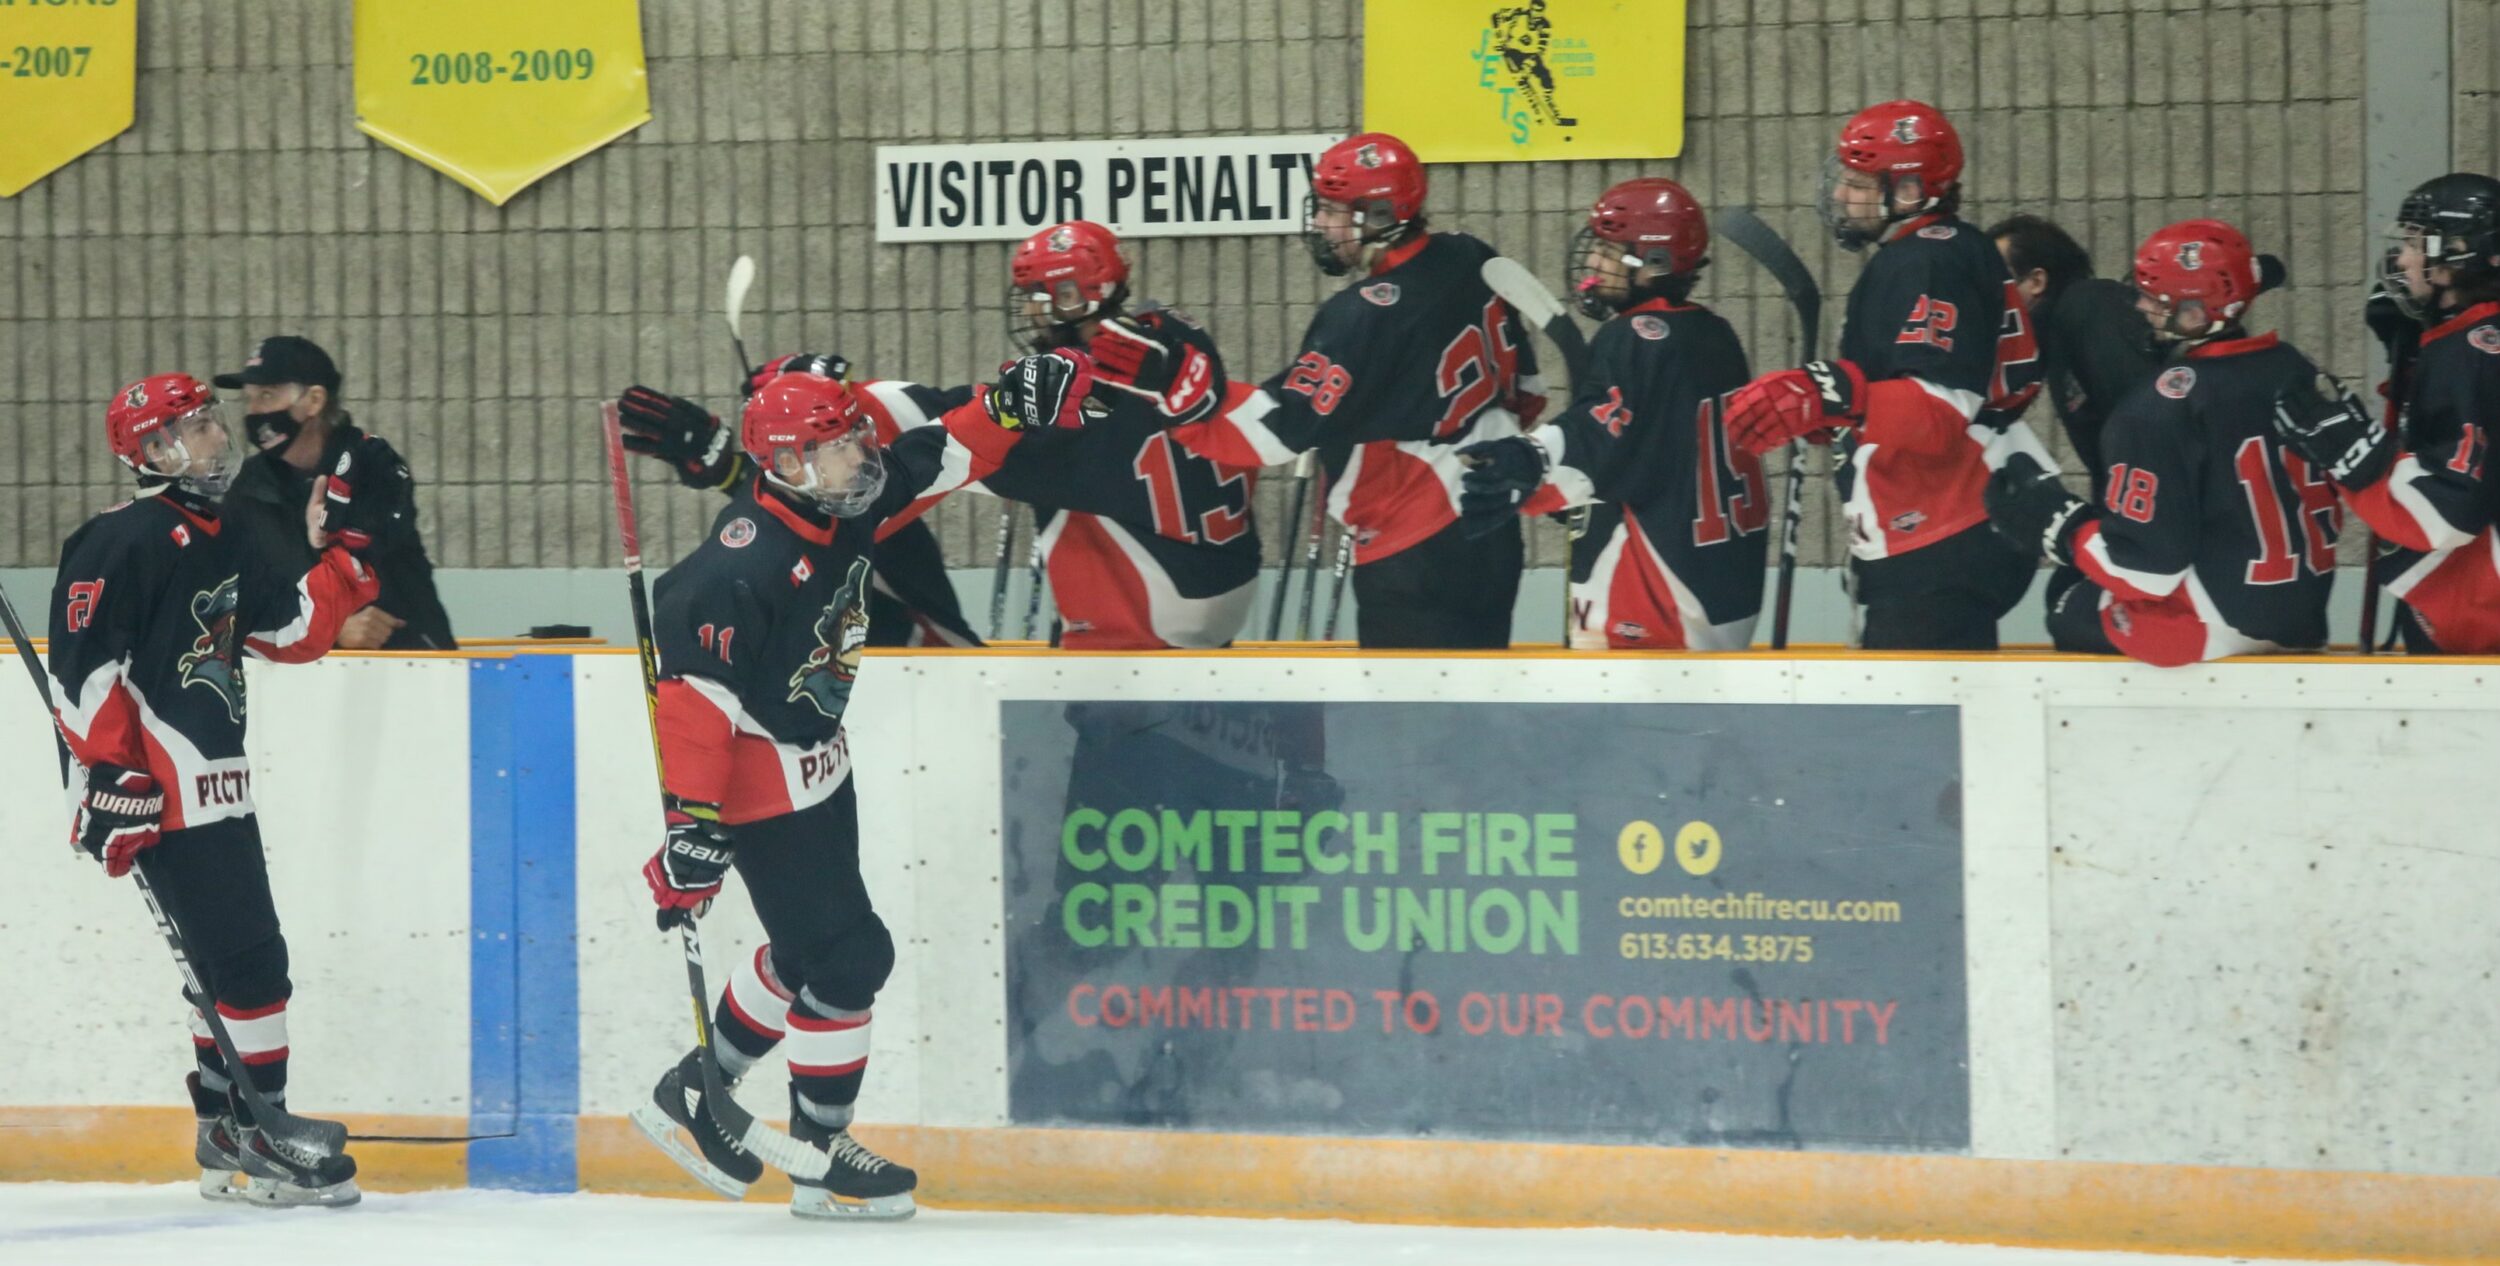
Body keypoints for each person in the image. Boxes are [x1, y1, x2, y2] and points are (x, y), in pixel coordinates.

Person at [625, 352, 1075, 1220]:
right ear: (787, 464)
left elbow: (937, 456)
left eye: (857, 439)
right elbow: (693, 703)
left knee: (805, 956)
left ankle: (698, 1090)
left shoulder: (843, 508)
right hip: (759, 782)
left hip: (818, 762)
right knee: (850, 956)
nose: (860, 458)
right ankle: (820, 1154)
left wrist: (1008, 408)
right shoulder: (740, 563)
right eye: (836, 448)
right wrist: (692, 829)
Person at [47, 373, 386, 1205]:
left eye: (208, 422)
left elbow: (290, 632)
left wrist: (348, 556)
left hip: (215, 780)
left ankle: (226, 1127)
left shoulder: (227, 530)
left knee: (222, 961)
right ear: (153, 450)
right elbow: (83, 673)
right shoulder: (117, 540)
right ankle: (264, 1131)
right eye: (191, 427)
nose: (212, 437)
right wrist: (110, 778)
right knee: (249, 961)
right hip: (157, 790)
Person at [1091, 131, 1544, 649]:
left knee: (1416, 724)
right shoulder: (1468, 257)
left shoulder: (1363, 314)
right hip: (1493, 527)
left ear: (1378, 217)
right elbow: (1527, 391)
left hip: (1413, 546)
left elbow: (1276, 431)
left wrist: (1176, 390)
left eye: (1333, 210)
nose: (1320, 224)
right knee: (1481, 708)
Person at [1722, 100, 2048, 650]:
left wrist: (1832, 392)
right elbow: (1898, 388)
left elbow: (1940, 408)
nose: (1842, 195)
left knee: (1918, 727)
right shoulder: (1924, 253)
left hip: (1947, 524)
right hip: (1939, 527)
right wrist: (1843, 408)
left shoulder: (1930, 259)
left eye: (1858, 181)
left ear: (1910, 191)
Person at [1986, 219, 2340, 666]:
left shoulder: (2161, 405)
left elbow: (2147, 571)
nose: (2137, 305)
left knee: (2068, 605)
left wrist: (2059, 526)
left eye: (2153, 296)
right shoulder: (2296, 368)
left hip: (2217, 624)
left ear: (2194, 313)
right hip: (2305, 616)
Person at [1454, 177, 1768, 649]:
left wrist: (1530, 462)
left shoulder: (1633, 338)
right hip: (1721, 590)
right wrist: (1587, 495)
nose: (1594, 264)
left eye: (1609, 250)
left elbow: (1595, 436)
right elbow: (1655, 454)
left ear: (1655, 263)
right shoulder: (1714, 335)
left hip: (1652, 597)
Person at [2271, 173, 2500, 654]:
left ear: (2456, 256)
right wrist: (2411, 352)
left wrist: (2357, 460)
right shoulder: (2472, 336)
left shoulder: (2469, 350)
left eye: (2417, 243)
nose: (2404, 257)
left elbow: (2447, 512)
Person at [618, 354, 983, 648]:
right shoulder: (798, 523)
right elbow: (795, 513)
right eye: (835, 444)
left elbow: (811, 518)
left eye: (849, 439)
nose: (856, 457)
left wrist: (731, 470)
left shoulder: (871, 506)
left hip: (937, 687)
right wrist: (729, 470)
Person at [213, 336, 454, 650]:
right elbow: (239, 592)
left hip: (406, 662)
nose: (254, 411)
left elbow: (368, 573)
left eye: (268, 395)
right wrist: (332, 630)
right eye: (250, 399)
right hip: (300, 673)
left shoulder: (374, 465)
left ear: (314, 400)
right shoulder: (247, 486)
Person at [1987, 214, 2162, 491]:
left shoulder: (2089, 306)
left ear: (2036, 281)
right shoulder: (2056, 337)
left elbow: (2146, 421)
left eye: (1995, 279)